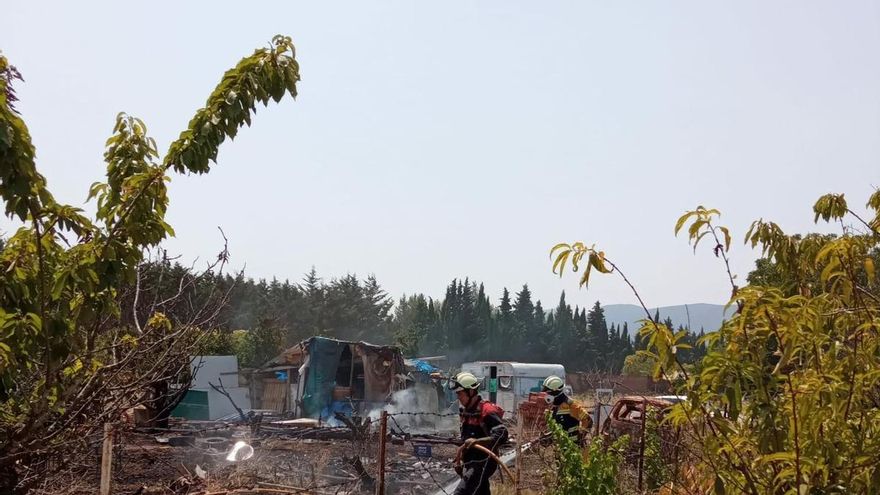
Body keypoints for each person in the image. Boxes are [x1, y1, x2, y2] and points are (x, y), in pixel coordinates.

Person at [448, 372, 508, 495]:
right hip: (470, 462)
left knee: (461, 493)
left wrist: (476, 441)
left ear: (471, 392)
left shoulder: (486, 410)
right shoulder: (466, 412)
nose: (458, 397)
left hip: (484, 462)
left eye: (460, 393)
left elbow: (502, 434)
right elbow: (466, 438)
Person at [541, 375, 593, 440]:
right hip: (561, 447)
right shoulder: (554, 407)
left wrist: (581, 436)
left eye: (548, 392)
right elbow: (559, 429)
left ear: (556, 391)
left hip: (574, 447)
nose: (547, 395)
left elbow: (588, 421)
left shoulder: (571, 405)